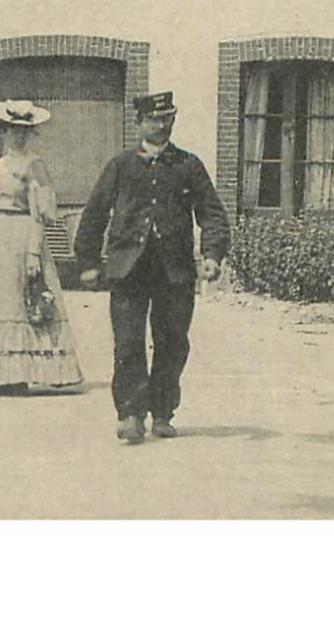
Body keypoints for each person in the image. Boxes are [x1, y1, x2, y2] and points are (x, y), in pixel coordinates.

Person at [75, 91, 228, 444]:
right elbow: (95, 213)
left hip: (174, 272)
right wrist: (88, 260)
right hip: (129, 269)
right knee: (128, 342)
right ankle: (130, 414)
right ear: (139, 123)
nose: (161, 125)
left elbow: (212, 213)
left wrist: (212, 255)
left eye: (166, 118)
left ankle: (162, 412)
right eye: (153, 119)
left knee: (172, 342)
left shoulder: (189, 166)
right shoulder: (121, 165)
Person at [0, 101, 84, 394]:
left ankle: (39, 370)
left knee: (30, 299)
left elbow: (41, 212)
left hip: (25, 233)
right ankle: (7, 375)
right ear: (4, 132)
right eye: (13, 130)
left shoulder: (34, 165)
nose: (18, 136)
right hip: (2, 236)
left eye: (24, 131)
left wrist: (34, 251)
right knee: (5, 303)